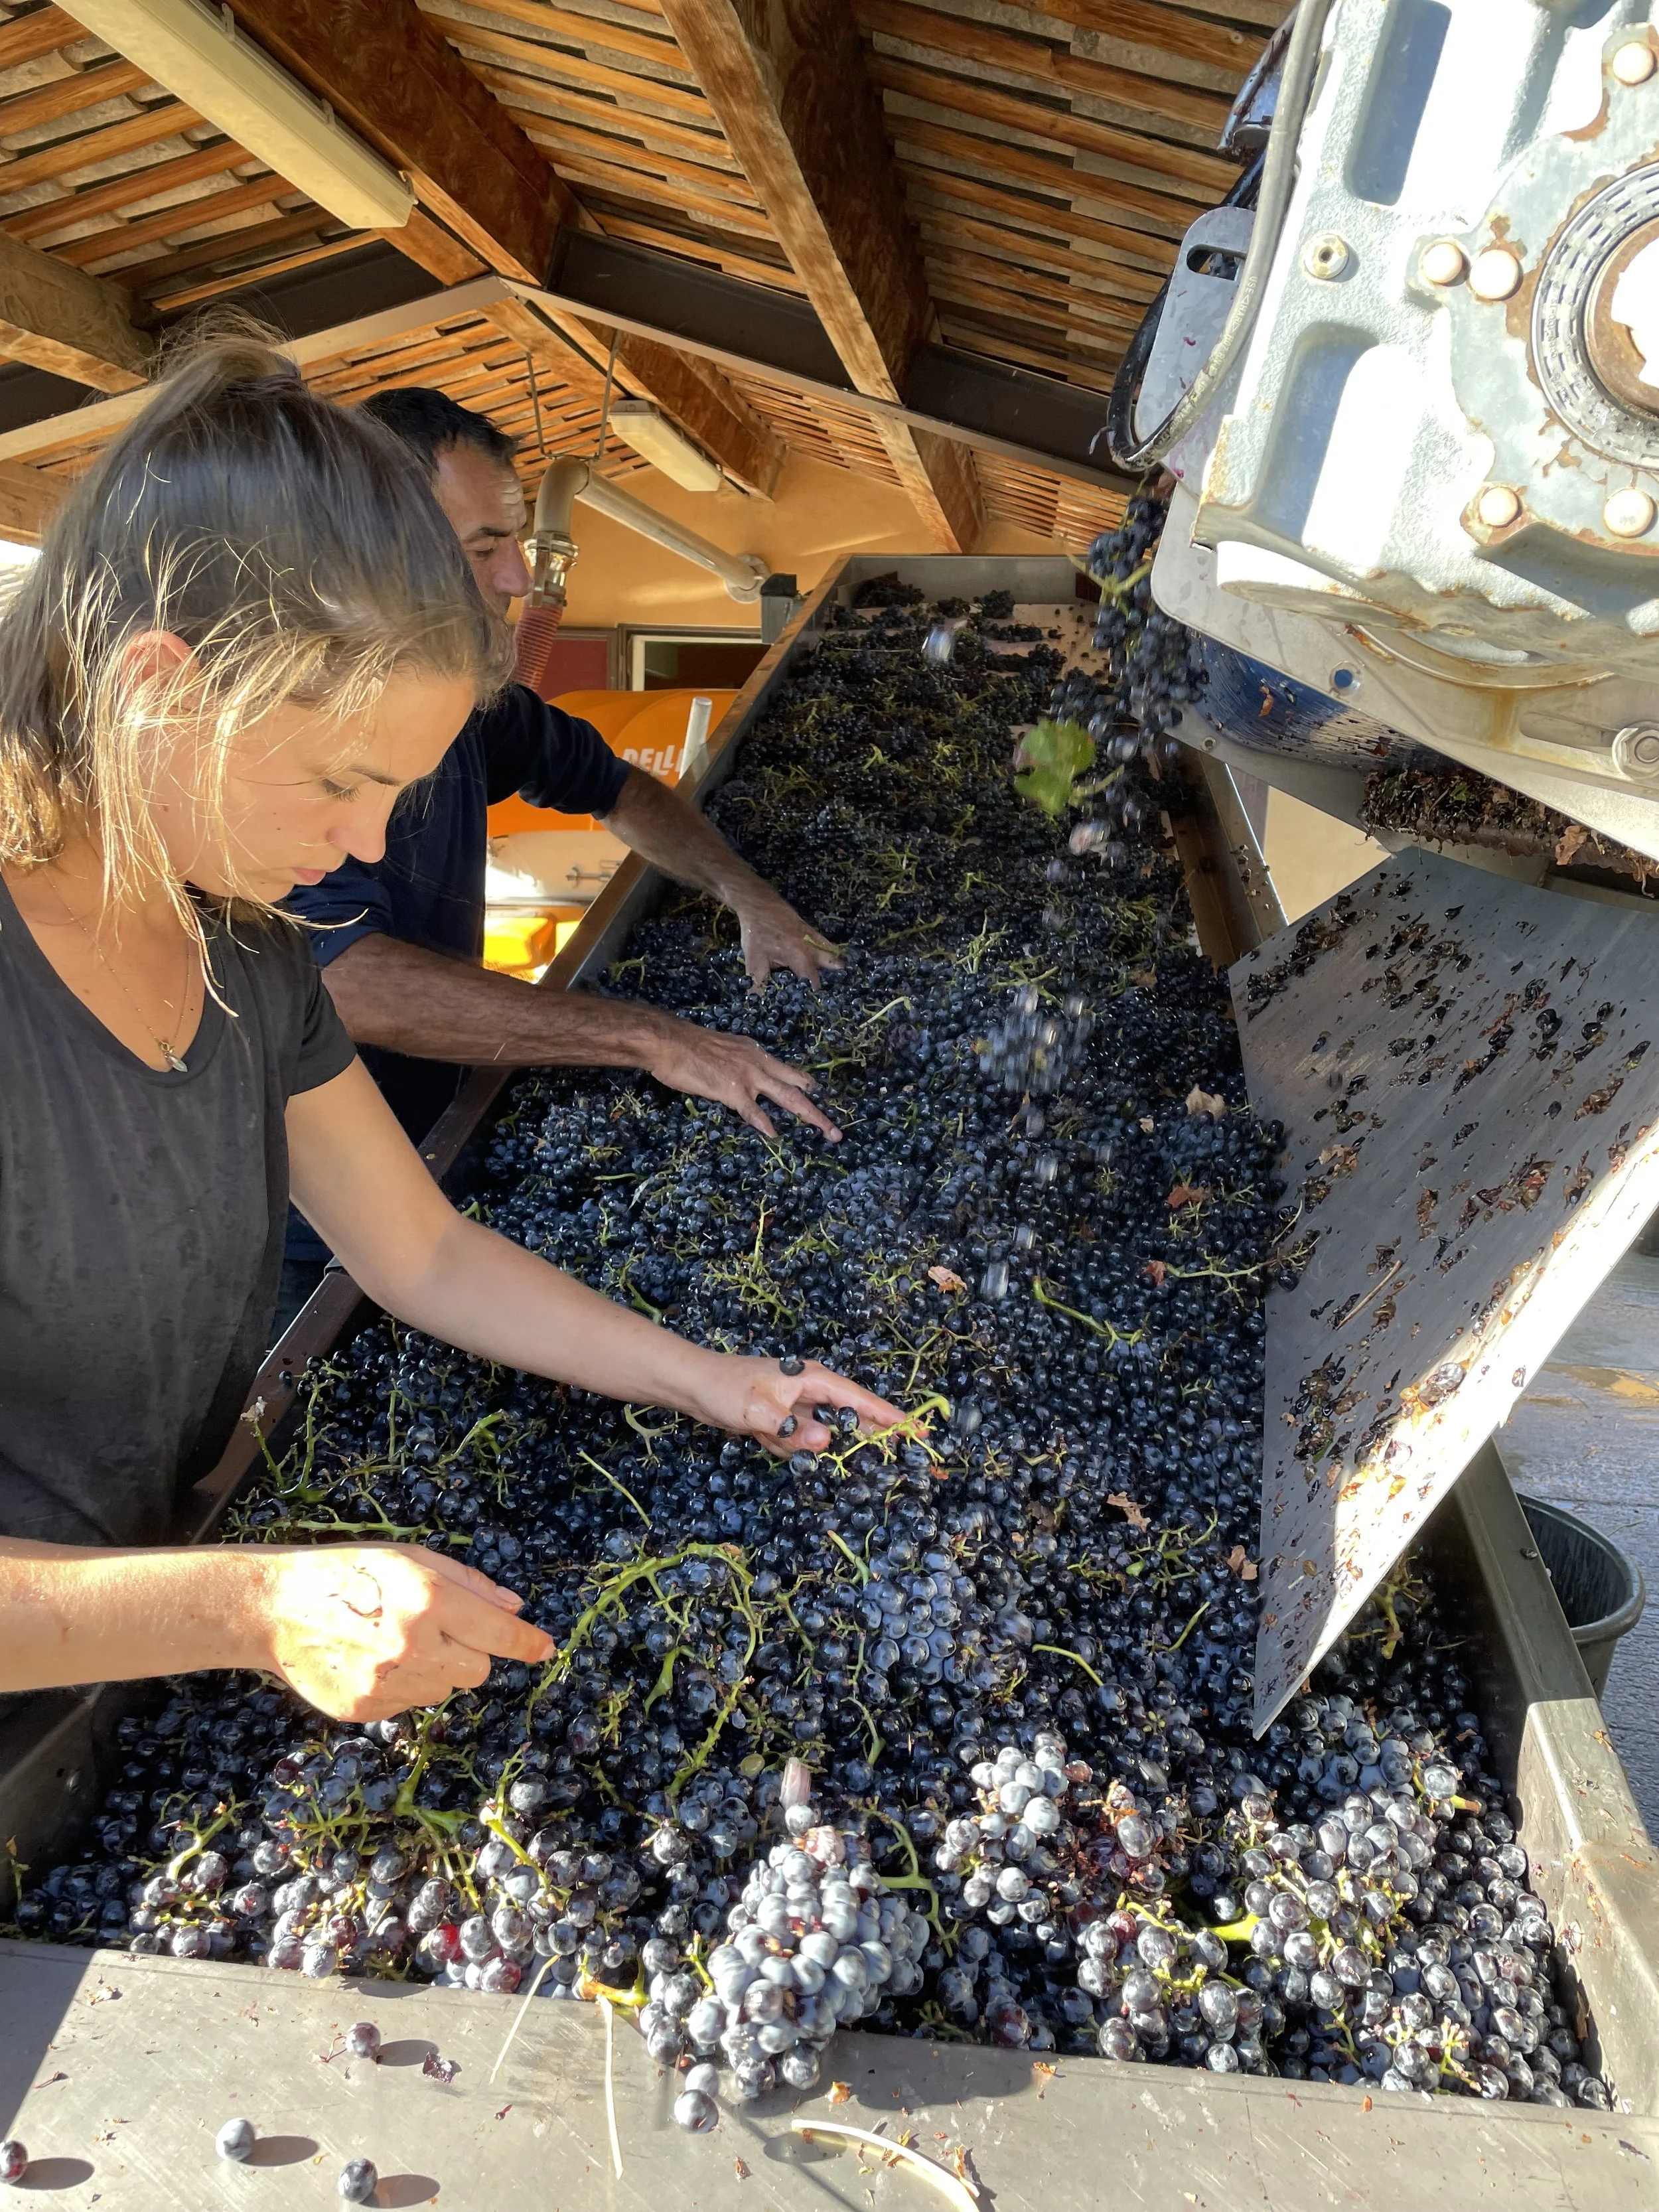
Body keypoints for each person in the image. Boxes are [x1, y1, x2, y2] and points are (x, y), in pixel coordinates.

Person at [0, 338, 904, 1726]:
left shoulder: (245, 941)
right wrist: (248, 1603)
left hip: (110, 1673)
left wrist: (722, 1383)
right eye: (340, 781)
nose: (364, 844)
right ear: (161, 690)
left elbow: (418, 1247)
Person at [276, 387, 840, 1331]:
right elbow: (346, 980)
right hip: (305, 1229)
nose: (517, 580)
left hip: (442, 1154)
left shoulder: (462, 695)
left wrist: (750, 897)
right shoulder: (292, 723)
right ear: (375, 538)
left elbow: (622, 789)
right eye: (482, 547)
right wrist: (651, 1038)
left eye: (516, 541)